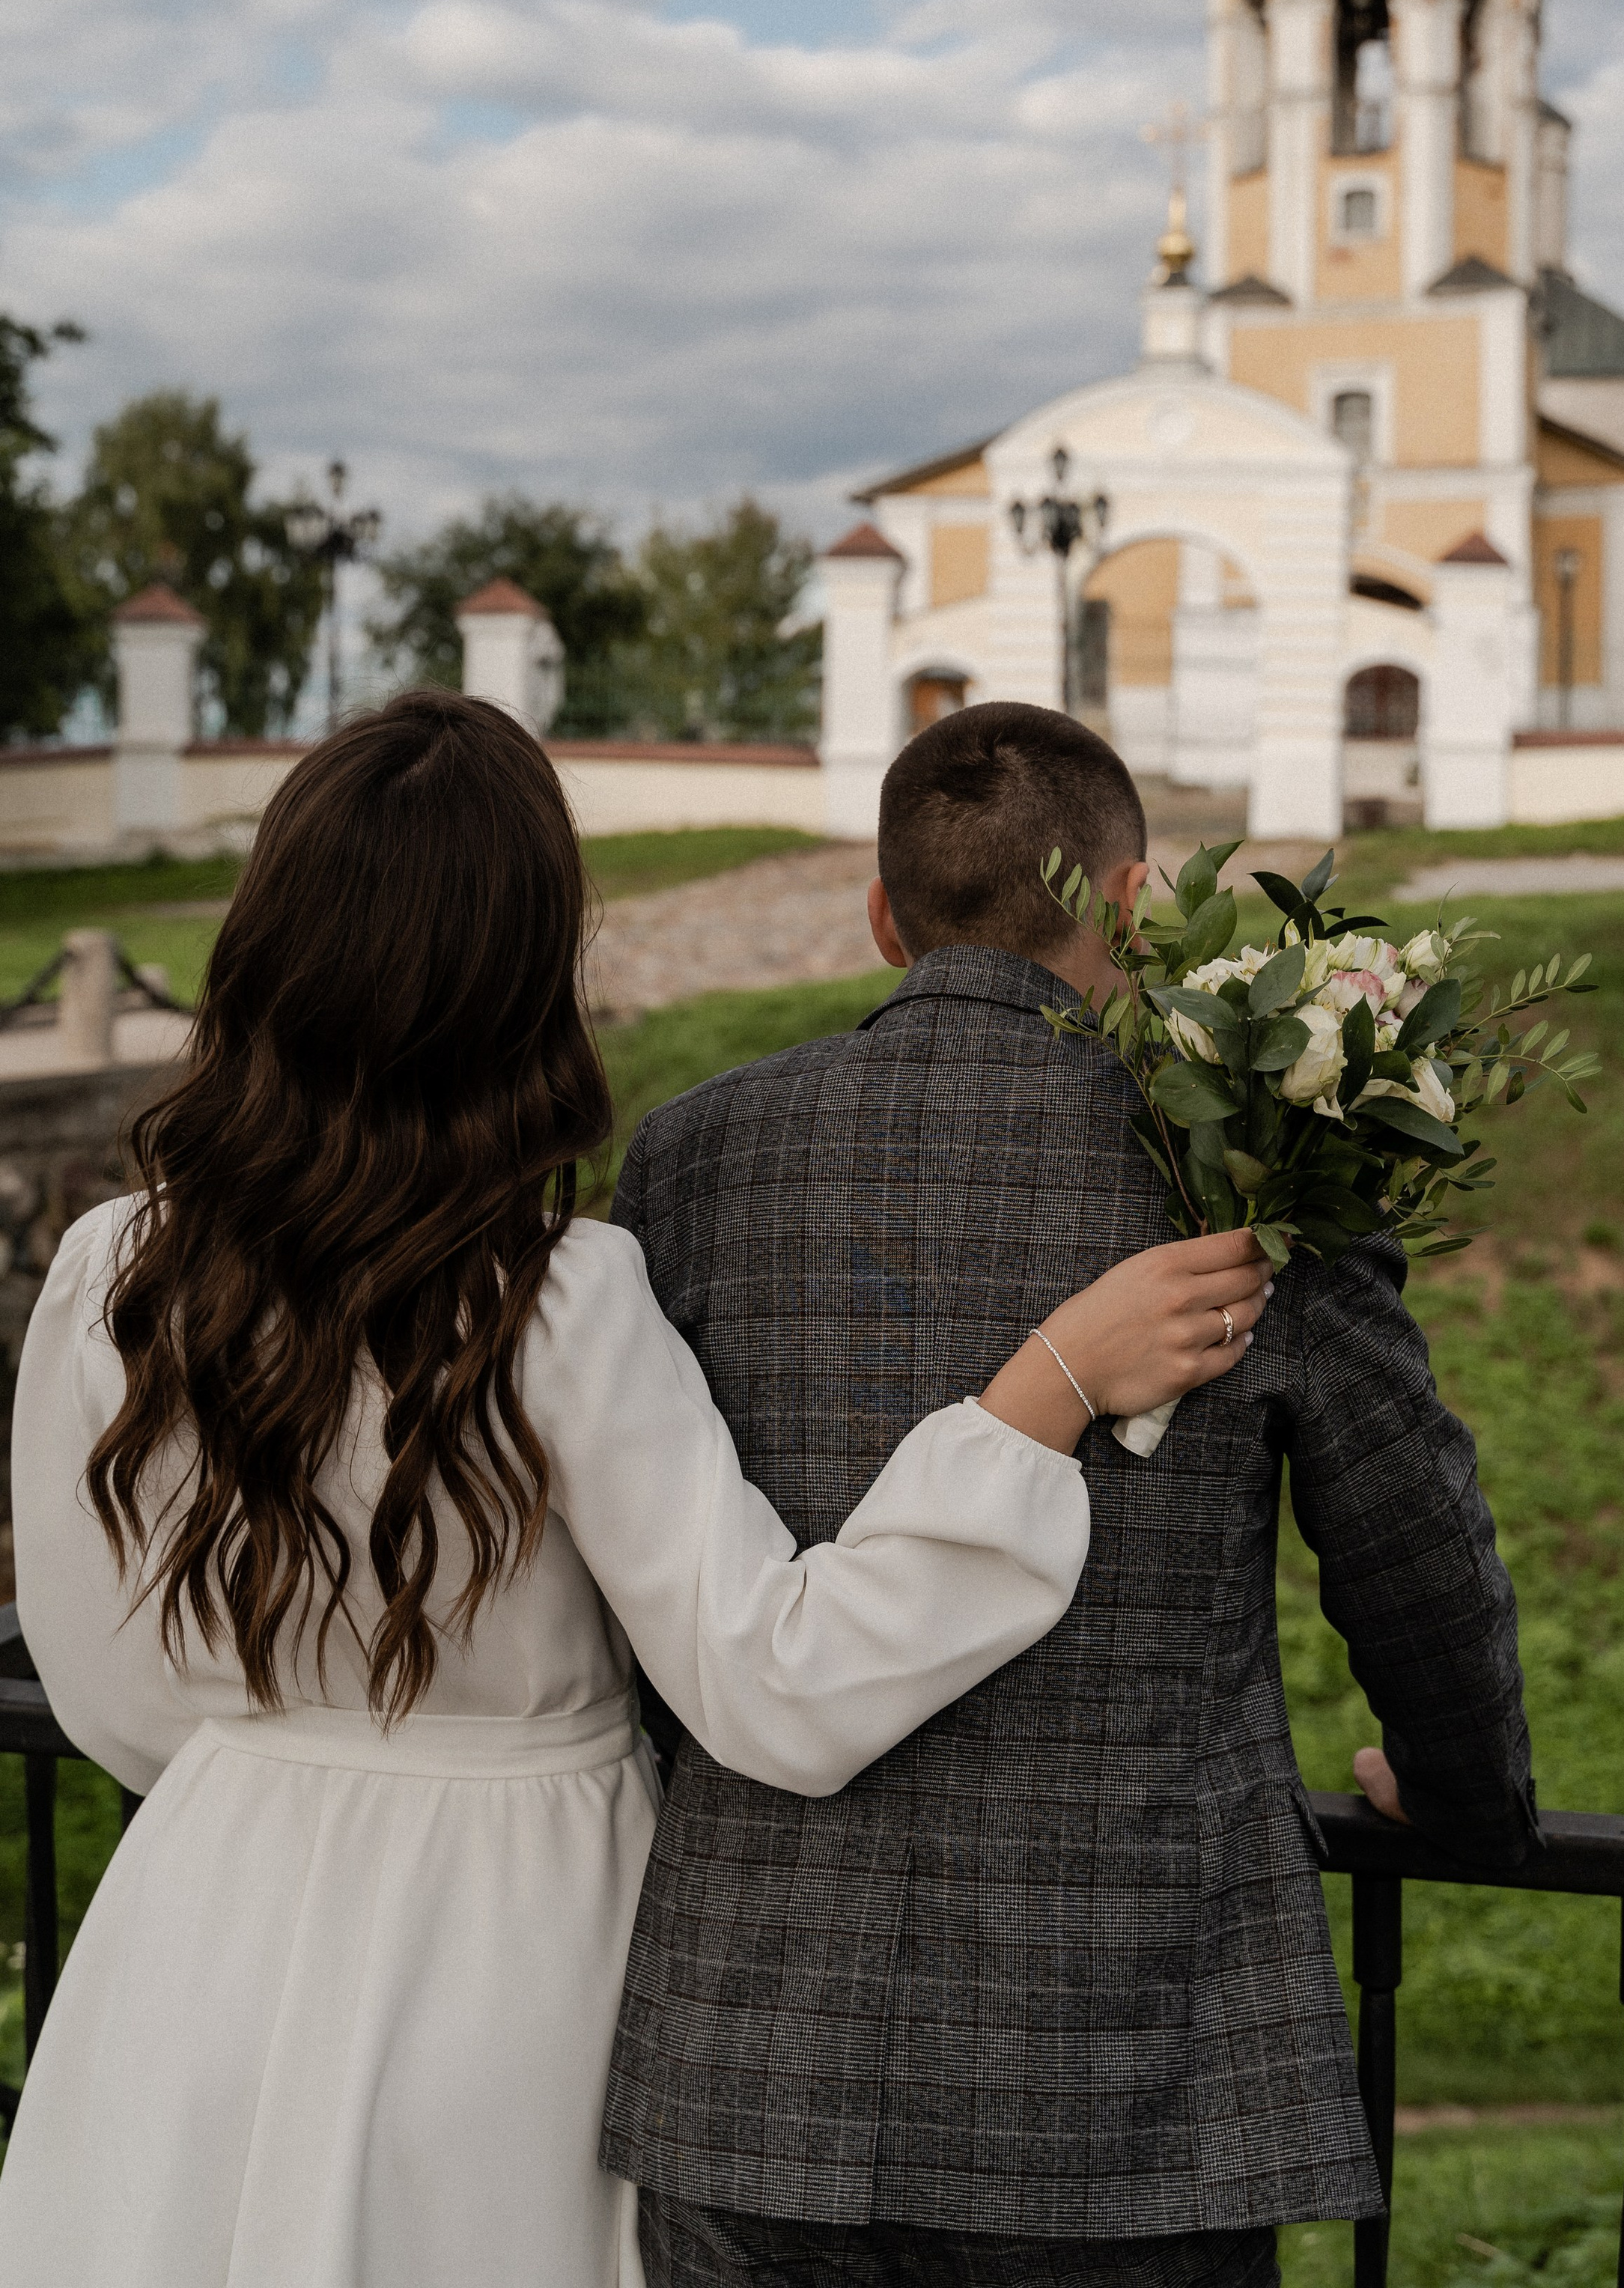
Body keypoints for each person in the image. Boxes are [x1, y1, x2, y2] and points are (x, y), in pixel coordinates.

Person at [0, 690, 1273, 2288]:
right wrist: (1044, 1394)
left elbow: (106, 1687)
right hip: (507, 1951)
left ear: (264, 943)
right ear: (526, 975)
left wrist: (289, 1764)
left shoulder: (113, 1272)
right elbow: (777, 1686)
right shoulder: (553, 1299)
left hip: (201, 1924)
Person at [606, 700, 1539, 2284]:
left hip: (754, 2062)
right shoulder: (1257, 1174)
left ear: (885, 915)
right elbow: (1410, 1548)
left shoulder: (694, 1158)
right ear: (1132, 904)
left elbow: (643, 1562)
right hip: (1125, 2078)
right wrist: (1463, 1801)